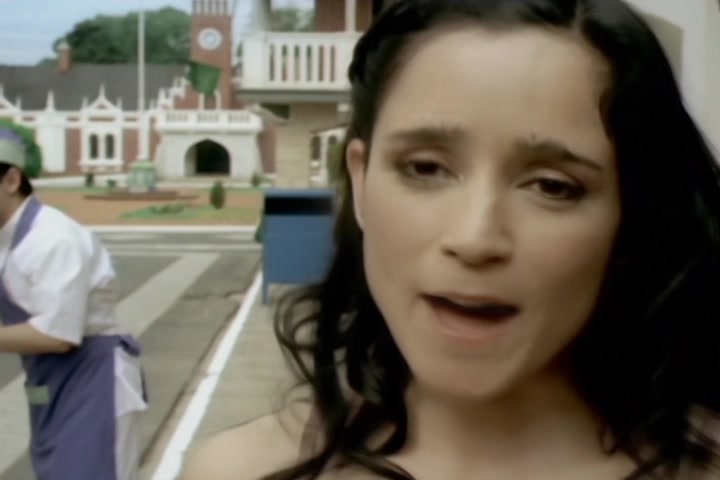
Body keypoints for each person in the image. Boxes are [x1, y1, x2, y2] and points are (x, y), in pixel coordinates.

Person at [184, 0, 720, 478]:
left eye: (552, 186)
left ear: (631, 212)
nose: (475, 238)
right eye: (425, 168)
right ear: (361, 183)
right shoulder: (240, 472)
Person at [0, 124, 148, 480]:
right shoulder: (7, 239)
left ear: (11, 180)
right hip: (49, 385)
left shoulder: (53, 238)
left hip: (93, 383)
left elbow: (57, 335)